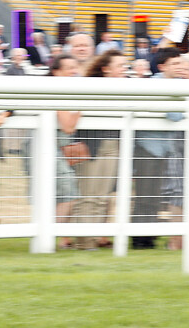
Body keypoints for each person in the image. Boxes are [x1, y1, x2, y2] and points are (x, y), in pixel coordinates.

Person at [132, 48, 187, 250]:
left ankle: (148, 237)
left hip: (161, 148)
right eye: (175, 64)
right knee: (146, 195)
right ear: (162, 67)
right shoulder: (156, 83)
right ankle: (141, 240)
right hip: (148, 147)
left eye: (180, 63)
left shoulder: (177, 84)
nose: (180, 67)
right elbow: (174, 115)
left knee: (153, 195)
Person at [73, 50, 128, 249]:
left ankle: (93, 239)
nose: (124, 69)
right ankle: (84, 242)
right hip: (92, 146)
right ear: (106, 69)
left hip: (114, 145)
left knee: (102, 197)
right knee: (88, 195)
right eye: (120, 65)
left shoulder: (127, 88)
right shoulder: (89, 87)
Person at [51, 54, 81, 249]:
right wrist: (83, 103)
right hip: (48, 149)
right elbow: (68, 127)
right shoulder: (55, 91)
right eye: (68, 67)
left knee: (63, 193)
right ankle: (54, 237)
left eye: (74, 67)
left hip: (57, 149)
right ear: (56, 72)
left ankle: (59, 238)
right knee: (68, 192)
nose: (73, 71)